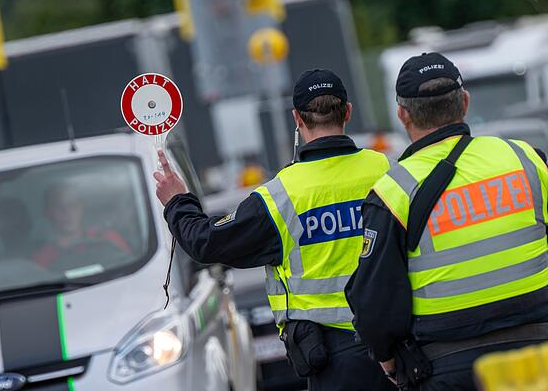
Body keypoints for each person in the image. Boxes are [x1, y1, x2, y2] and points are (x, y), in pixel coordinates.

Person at [154, 69, 394, 391]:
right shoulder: (387, 171)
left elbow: (205, 242)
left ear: (297, 118)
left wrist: (177, 200)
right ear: (347, 111)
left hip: (334, 362)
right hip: (398, 346)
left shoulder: (280, 196)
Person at [345, 52, 548, 390]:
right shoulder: (524, 158)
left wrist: (389, 361)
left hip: (451, 367)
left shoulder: (394, 192)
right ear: (464, 102)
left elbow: (376, 298)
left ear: (402, 115)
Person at [33, 183, 131, 268]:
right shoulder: (41, 259)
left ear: (81, 208)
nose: (67, 212)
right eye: (58, 207)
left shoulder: (109, 238)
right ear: (47, 213)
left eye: (72, 205)